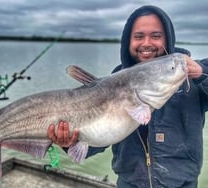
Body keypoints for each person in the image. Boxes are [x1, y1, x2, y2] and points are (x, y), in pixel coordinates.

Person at [48, 5, 208, 188]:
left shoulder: (191, 75)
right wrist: (70, 142)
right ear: (128, 41)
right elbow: (98, 141)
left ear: (168, 39)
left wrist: (202, 72)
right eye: (138, 36)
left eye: (156, 36)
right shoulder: (114, 80)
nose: (146, 43)